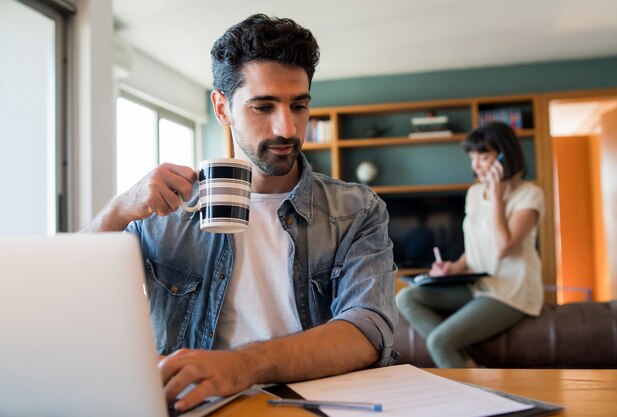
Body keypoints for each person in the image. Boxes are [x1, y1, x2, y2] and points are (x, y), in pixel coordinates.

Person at [83, 14, 397, 412]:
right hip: (193, 406)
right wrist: (117, 210)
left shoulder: (357, 210)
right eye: (263, 106)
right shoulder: (165, 209)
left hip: (318, 407)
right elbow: (69, 296)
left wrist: (243, 366)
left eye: (299, 106)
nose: (287, 128)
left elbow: (368, 330)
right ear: (222, 108)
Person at [395, 121, 545, 368]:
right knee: (406, 298)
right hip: (478, 285)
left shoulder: (529, 195)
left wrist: (496, 199)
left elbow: (502, 247)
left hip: (511, 291)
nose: (475, 165)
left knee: (440, 342)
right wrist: (453, 268)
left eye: (483, 157)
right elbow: (477, 246)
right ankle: (468, 362)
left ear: (504, 156)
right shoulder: (475, 193)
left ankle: (472, 382)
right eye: (472, 157)